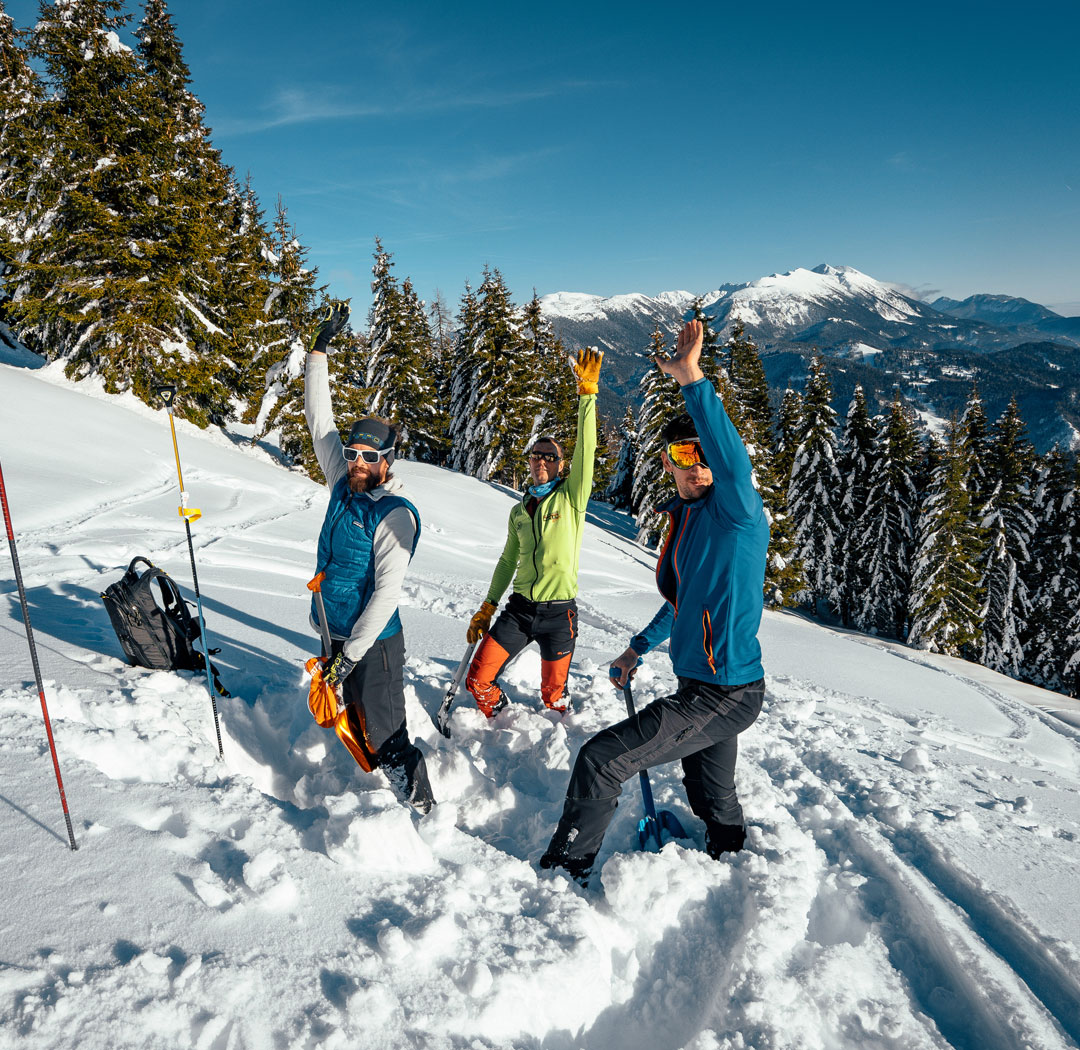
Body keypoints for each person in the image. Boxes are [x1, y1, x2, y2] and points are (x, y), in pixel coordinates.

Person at [540, 319, 769, 884]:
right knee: (709, 795)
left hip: (727, 690)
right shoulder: (689, 520)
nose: (692, 463)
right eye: (678, 452)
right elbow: (683, 602)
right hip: (702, 686)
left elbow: (732, 460)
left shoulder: (737, 514)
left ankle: (564, 869)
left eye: (699, 451)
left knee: (601, 759)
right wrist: (637, 648)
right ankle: (733, 865)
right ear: (665, 460)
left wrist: (692, 379)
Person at [303, 301, 435, 813]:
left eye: (369, 457)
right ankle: (382, 799)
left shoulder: (394, 514)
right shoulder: (344, 483)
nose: (357, 463)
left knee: (385, 735)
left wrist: (348, 659)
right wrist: (318, 352)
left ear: (388, 461)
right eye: (353, 453)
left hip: (373, 644)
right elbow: (320, 423)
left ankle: (422, 810)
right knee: (354, 721)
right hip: (334, 630)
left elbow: (386, 595)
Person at [464, 348, 604, 717]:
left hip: (561, 615)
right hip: (520, 611)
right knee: (478, 680)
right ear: (528, 462)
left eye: (550, 457)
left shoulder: (572, 498)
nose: (541, 460)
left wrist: (587, 396)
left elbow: (587, 451)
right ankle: (503, 723)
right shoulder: (518, 511)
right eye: (535, 455)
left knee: (553, 697)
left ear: (560, 466)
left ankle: (558, 739)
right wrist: (487, 606)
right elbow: (508, 559)